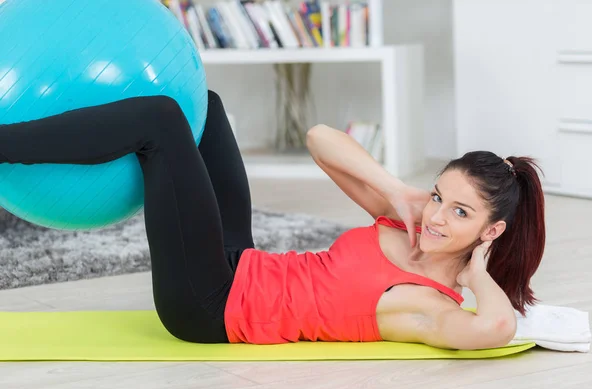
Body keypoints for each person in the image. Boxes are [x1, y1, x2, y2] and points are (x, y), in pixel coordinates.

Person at [0, 90, 545, 350]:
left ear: (491, 231)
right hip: (245, 264)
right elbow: (319, 140)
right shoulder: (407, 218)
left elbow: (495, 326)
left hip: (211, 307)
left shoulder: (424, 304)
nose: (437, 217)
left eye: (461, 212)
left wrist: (477, 278)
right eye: (438, 195)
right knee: (205, 106)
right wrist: (399, 192)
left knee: (160, 120)